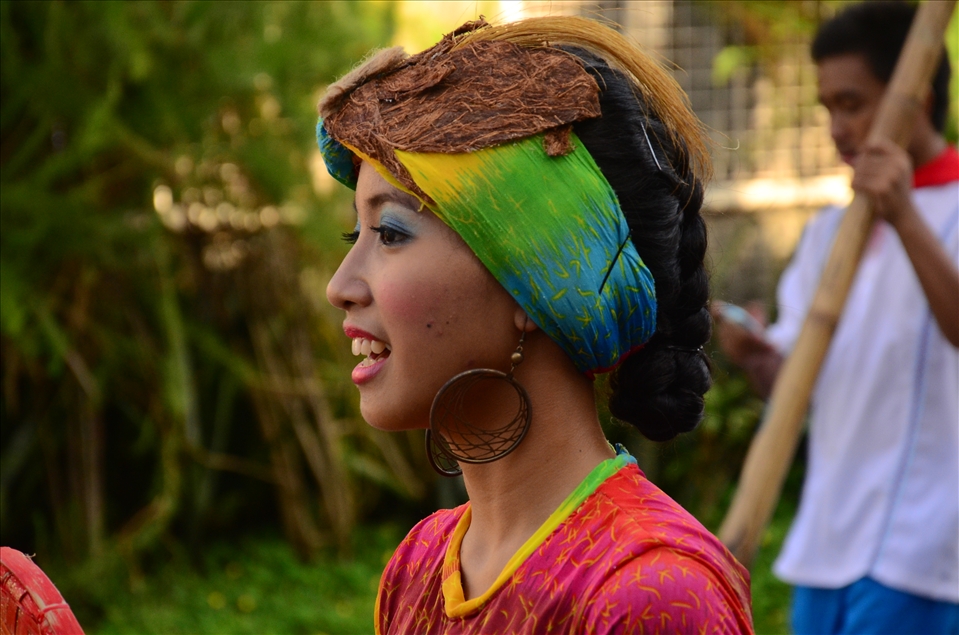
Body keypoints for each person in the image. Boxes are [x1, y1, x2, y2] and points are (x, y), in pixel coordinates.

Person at [318, 16, 753, 635]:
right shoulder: (419, 565)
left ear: (538, 280)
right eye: (352, 233)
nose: (339, 286)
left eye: (389, 233)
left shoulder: (649, 593)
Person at [715, 2, 959, 634]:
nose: (838, 129)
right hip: (827, 544)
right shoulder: (828, 231)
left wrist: (903, 215)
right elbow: (796, 389)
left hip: (925, 548)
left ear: (917, 98)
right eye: (828, 109)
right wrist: (758, 357)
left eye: (853, 104)